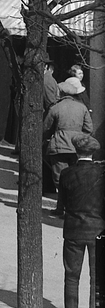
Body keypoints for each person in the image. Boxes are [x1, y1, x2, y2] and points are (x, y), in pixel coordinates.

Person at [59, 134, 101, 308]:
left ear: (76, 151)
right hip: (98, 230)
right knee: (97, 276)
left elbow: (62, 206)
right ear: (94, 152)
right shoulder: (101, 174)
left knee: (72, 275)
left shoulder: (66, 174)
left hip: (73, 230)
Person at [45, 77, 93, 211]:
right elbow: (89, 128)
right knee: (76, 178)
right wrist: (79, 138)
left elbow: (46, 128)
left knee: (60, 179)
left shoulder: (55, 108)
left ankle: (61, 208)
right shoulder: (82, 108)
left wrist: (48, 138)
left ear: (63, 93)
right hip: (77, 148)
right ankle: (75, 206)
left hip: (59, 147)